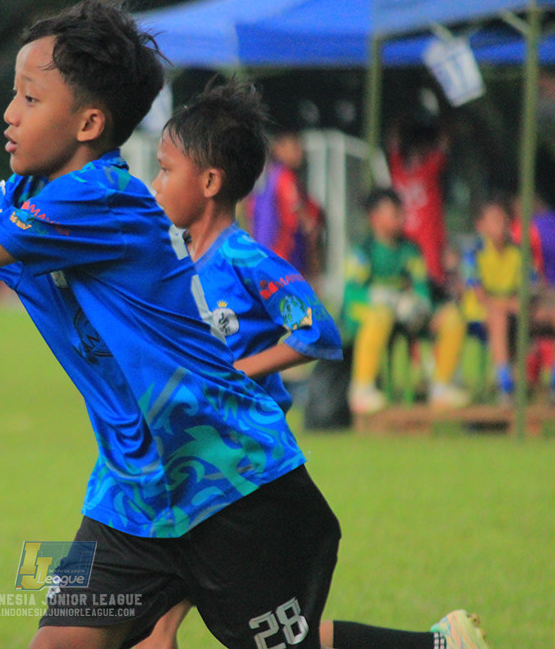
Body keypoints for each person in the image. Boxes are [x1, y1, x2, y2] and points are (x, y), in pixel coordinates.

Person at [0, 0, 341, 648]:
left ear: (87, 123)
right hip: (132, 496)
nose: (8, 113)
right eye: (13, 95)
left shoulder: (99, 197)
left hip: (232, 488)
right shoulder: (25, 194)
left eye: (29, 98)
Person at [136, 81, 488, 649]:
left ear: (208, 183)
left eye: (164, 170)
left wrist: (238, 372)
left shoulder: (242, 256)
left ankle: (438, 645)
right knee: (163, 632)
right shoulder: (180, 263)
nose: (154, 186)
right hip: (191, 468)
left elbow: (317, 329)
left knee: (269, 640)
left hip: (239, 473)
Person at [341, 188, 468, 415]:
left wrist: (419, 303)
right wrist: (381, 297)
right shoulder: (363, 251)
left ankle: (442, 387)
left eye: (401, 212)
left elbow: (421, 285)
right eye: (394, 213)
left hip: (406, 315)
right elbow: (352, 293)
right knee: (381, 315)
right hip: (368, 317)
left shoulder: (410, 250)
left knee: (452, 317)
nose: (401, 218)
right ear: (375, 217)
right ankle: (362, 389)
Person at [461, 198, 553, 404]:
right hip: (481, 316)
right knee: (499, 317)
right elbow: (480, 297)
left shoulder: (519, 252)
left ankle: (552, 384)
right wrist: (511, 304)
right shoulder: (473, 253)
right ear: (481, 226)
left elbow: (531, 288)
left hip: (517, 312)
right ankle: (506, 386)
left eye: (504, 221)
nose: (501, 227)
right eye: (495, 221)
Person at [247, 129, 324, 280]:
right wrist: (311, 228)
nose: (300, 152)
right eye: (294, 147)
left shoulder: (269, 176)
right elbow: (295, 206)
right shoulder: (285, 177)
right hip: (286, 252)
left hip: (269, 251)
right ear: (279, 148)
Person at [387, 113, 449, 288]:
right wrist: (401, 117)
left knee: (432, 279)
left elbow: (443, 146)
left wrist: (439, 117)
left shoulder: (429, 170)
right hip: (403, 238)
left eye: (420, 152)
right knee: (404, 281)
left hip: (427, 238)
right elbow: (394, 145)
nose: (415, 156)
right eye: (412, 152)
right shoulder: (397, 169)